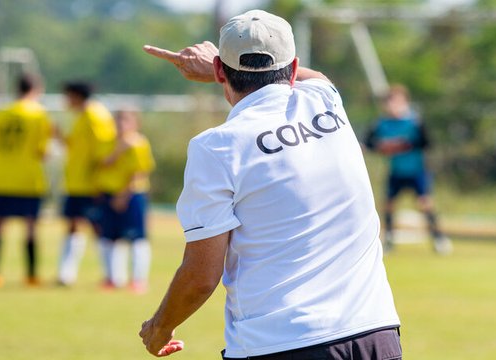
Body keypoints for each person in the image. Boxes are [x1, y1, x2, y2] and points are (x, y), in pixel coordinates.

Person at [139, 10, 402, 359]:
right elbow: (314, 75)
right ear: (292, 69)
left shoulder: (216, 147)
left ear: (221, 71)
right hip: (375, 333)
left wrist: (160, 327)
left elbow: (201, 276)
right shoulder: (325, 101)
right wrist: (217, 68)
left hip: (281, 343)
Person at [0, 73, 52, 288]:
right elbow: (42, 151)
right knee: (30, 227)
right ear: (36, 89)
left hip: (0, 177)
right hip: (28, 179)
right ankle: (31, 276)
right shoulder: (39, 114)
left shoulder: (1, 113)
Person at [365, 84, 452, 255]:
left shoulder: (414, 122)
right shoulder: (382, 124)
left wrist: (403, 146)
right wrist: (382, 148)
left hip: (416, 171)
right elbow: (369, 143)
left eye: (396, 102)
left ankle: (439, 239)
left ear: (405, 102)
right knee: (388, 205)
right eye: (389, 102)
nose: (392, 106)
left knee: (425, 204)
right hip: (396, 171)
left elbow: (427, 143)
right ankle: (389, 240)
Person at [56, 81, 116, 286]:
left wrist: (99, 181)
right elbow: (77, 146)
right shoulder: (81, 116)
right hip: (75, 182)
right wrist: (59, 137)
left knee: (99, 227)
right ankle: (66, 274)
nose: (66, 101)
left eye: (68, 96)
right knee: (73, 225)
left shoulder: (95, 115)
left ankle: (112, 275)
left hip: (91, 184)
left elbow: (104, 150)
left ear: (76, 95)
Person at [95, 108, 155, 293]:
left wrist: (123, 195)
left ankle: (139, 280)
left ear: (136, 124)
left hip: (132, 196)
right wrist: (119, 149)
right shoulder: (109, 142)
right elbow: (103, 164)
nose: (121, 125)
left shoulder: (139, 143)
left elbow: (140, 171)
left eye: (126, 121)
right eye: (118, 121)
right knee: (109, 237)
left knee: (137, 238)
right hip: (109, 194)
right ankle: (113, 278)